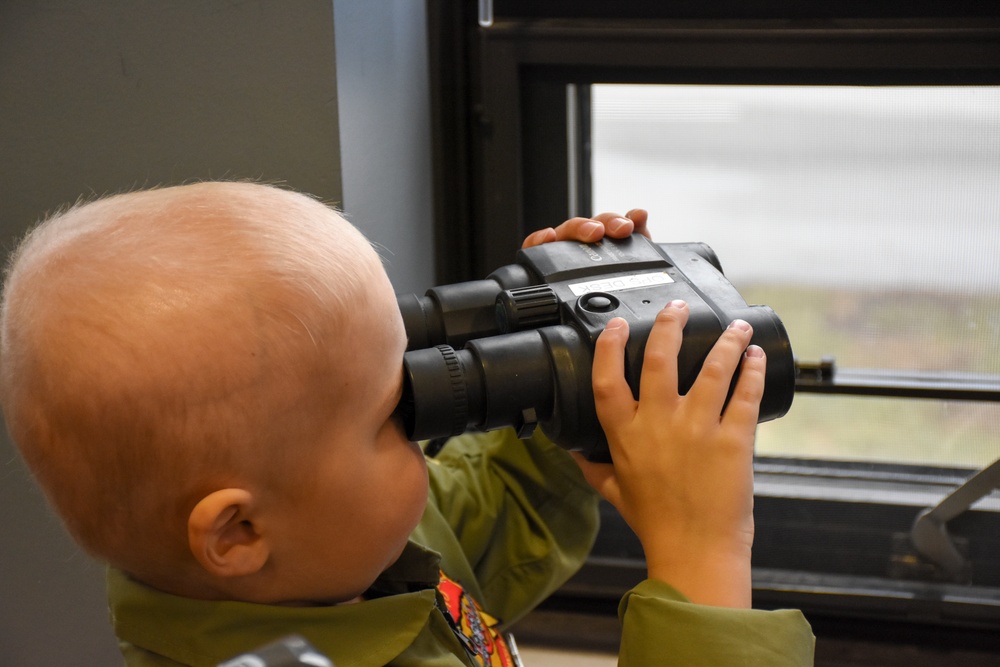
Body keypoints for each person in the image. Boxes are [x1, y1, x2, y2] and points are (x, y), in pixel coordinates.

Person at [0, 181, 814, 666]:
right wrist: (705, 552)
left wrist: (578, 385)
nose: (427, 419)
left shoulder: (331, 548)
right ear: (239, 530)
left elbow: (496, 504)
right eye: (395, 414)